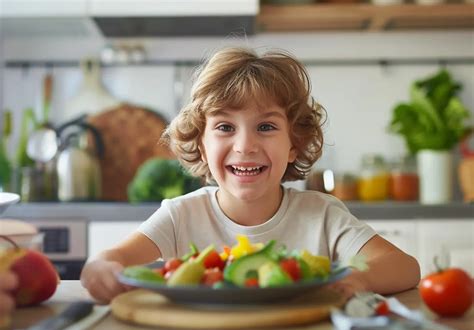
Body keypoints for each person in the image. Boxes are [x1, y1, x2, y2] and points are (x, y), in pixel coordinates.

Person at [81, 47, 420, 303]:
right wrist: (99, 268)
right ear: (201, 144)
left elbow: (405, 267)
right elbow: (112, 259)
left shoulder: (322, 215)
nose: (245, 146)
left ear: (293, 144)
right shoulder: (180, 215)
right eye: (225, 127)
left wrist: (358, 279)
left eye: (266, 126)